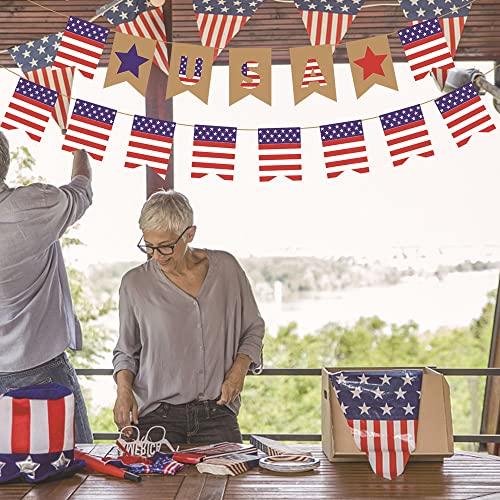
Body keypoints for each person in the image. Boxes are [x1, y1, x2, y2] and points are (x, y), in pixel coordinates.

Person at [113, 190, 265, 444]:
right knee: (154, 485)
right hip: (155, 417)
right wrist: (123, 392)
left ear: (190, 234)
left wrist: (239, 371)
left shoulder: (227, 269)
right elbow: (126, 351)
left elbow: (253, 328)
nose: (157, 256)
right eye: (149, 246)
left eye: (166, 247)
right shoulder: (134, 283)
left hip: (217, 412)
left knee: (231, 481)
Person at [0, 131, 94, 444]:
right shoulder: (34, 205)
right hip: (43, 371)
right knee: (77, 472)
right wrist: (78, 145)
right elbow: (82, 191)